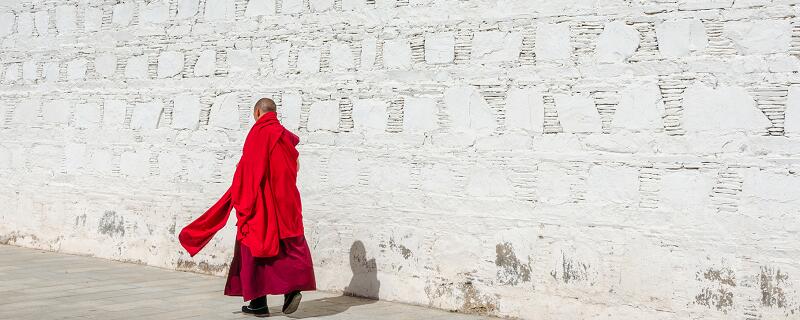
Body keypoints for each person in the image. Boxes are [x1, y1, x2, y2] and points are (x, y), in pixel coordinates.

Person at [178, 98, 316, 317]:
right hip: (286, 205)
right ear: (274, 112)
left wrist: (242, 200)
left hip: (259, 204)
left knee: (253, 250)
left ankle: (259, 304)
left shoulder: (258, 133)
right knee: (288, 248)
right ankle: (291, 290)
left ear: (257, 112)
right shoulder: (285, 137)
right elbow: (294, 168)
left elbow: (249, 172)